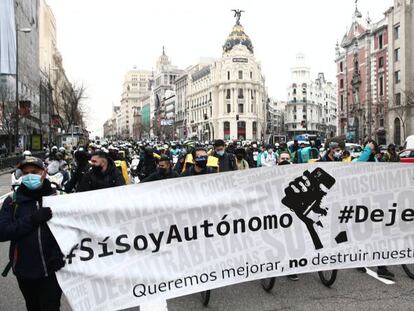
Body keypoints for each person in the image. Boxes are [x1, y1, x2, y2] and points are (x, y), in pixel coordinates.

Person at [0, 157, 65, 311]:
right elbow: (2, 232)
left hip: (52, 269)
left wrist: (58, 254)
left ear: (44, 172)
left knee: (50, 307)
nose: (29, 176)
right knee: (33, 307)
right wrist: (32, 220)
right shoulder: (12, 201)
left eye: (34, 172)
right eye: (25, 173)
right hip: (24, 270)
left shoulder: (60, 198)